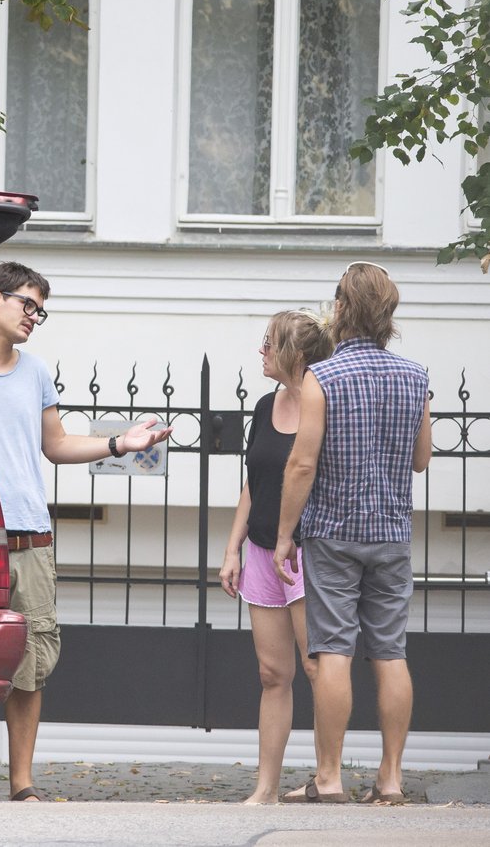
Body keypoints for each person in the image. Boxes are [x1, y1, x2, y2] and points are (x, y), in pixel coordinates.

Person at [0, 261, 172, 802]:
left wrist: (122, 443)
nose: (35, 317)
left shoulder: (35, 372)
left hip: (30, 536)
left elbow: (57, 445)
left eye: (40, 311)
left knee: (32, 661)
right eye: (29, 305)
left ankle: (23, 784)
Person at [274, 262, 431, 805]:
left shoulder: (324, 377)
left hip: (334, 533)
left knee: (333, 651)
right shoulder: (416, 377)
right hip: (391, 533)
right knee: (390, 652)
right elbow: (420, 460)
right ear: (389, 315)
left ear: (341, 308)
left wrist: (283, 536)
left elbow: (302, 464)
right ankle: (390, 779)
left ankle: (330, 778)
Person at [219, 309, 334, 804]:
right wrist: (233, 549)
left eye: (268, 342)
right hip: (264, 551)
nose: (260, 351)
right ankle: (265, 788)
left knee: (316, 669)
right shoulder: (265, 405)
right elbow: (254, 481)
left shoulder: (321, 404)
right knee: (272, 674)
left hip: (307, 552)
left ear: (294, 352)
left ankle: (329, 778)